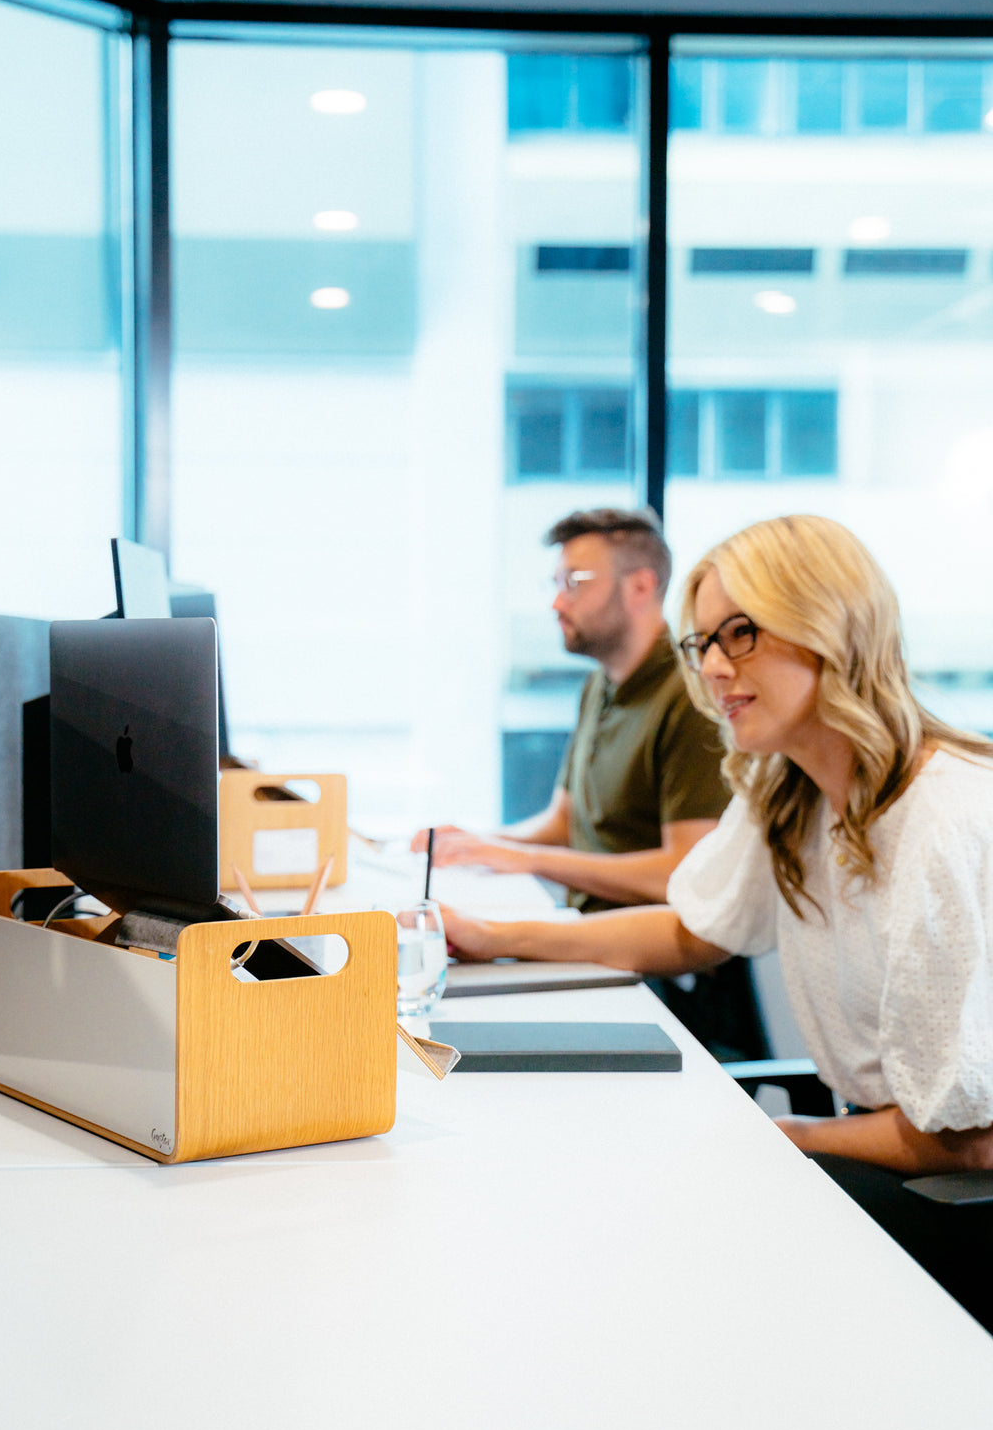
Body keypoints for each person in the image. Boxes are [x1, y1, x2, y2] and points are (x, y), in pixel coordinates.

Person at [444, 513, 993, 1328]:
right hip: (887, 1151)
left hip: (959, 1199)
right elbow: (693, 929)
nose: (712, 668)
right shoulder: (793, 787)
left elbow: (970, 1142)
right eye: (700, 642)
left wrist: (787, 1136)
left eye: (740, 633)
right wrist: (500, 939)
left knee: (658, 1237)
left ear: (831, 625)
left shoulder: (943, 817)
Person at [414, 508, 729, 909]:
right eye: (556, 584)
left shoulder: (693, 698)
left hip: (653, 954)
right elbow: (564, 823)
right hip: (585, 921)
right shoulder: (600, 684)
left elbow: (686, 871)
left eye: (574, 583)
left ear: (640, 587)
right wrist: (477, 843)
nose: (557, 603)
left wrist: (526, 859)